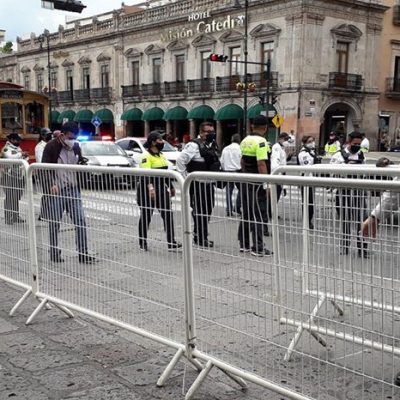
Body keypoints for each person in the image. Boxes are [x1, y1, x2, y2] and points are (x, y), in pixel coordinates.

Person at [41, 121, 95, 264]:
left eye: (75, 138)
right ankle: (54, 252)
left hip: (73, 189)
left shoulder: (76, 147)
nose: (72, 140)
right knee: (54, 223)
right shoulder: (51, 146)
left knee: (80, 221)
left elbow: (79, 164)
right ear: (63, 135)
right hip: (57, 191)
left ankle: (83, 252)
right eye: (70, 137)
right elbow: (43, 168)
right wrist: (51, 184)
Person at [176, 121, 220, 248]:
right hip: (198, 184)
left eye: (212, 132)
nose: (211, 134)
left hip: (209, 184)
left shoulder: (212, 144)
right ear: (201, 132)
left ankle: (201, 235)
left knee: (208, 210)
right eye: (208, 132)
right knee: (200, 211)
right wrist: (186, 179)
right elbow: (180, 161)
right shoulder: (194, 145)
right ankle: (200, 237)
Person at [137, 131, 182, 252]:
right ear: (153, 142)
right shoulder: (146, 156)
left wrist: (171, 187)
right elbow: (146, 174)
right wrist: (151, 188)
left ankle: (171, 242)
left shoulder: (161, 155)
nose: (162, 142)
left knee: (168, 215)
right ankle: (142, 242)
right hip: (147, 190)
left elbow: (165, 173)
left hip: (161, 189)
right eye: (160, 140)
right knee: (146, 216)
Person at [238, 114, 272, 257]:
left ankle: (244, 244)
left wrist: (246, 175)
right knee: (258, 214)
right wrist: (267, 183)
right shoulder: (262, 142)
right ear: (265, 127)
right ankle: (258, 247)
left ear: (253, 126)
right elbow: (261, 163)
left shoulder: (245, 140)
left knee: (246, 213)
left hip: (246, 181)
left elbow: (242, 161)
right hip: (257, 183)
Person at [330, 131, 367, 257]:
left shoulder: (361, 155)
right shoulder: (339, 155)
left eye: (359, 144)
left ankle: (362, 248)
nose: (357, 146)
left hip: (358, 191)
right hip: (343, 190)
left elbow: (365, 172)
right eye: (355, 143)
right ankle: (345, 247)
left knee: (361, 220)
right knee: (345, 220)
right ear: (349, 142)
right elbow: (331, 172)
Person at [0, 133, 28, 225]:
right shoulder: (6, 148)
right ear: (11, 140)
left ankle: (15, 216)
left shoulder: (17, 148)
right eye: (17, 140)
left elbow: (23, 158)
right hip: (8, 176)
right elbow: (10, 157)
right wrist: (21, 154)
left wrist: (24, 156)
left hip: (18, 176)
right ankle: (8, 217)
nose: (19, 141)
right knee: (9, 197)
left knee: (16, 197)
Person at [297, 135, 321, 229]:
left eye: (312, 141)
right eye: (309, 141)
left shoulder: (311, 152)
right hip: (306, 179)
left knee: (310, 201)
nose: (312, 143)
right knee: (307, 201)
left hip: (312, 179)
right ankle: (307, 220)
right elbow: (307, 166)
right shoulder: (303, 153)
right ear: (304, 143)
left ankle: (308, 219)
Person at [220, 133, 241, 217]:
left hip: (227, 172)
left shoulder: (225, 149)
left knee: (228, 191)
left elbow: (222, 161)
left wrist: (224, 168)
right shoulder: (240, 148)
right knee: (242, 189)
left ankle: (229, 209)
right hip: (238, 171)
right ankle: (237, 206)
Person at [270, 132, 293, 202]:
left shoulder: (282, 148)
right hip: (277, 177)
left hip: (280, 176)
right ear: (280, 139)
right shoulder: (276, 147)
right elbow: (275, 163)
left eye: (287, 140)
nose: (286, 141)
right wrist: (278, 179)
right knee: (273, 199)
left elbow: (282, 162)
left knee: (275, 199)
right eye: (285, 139)